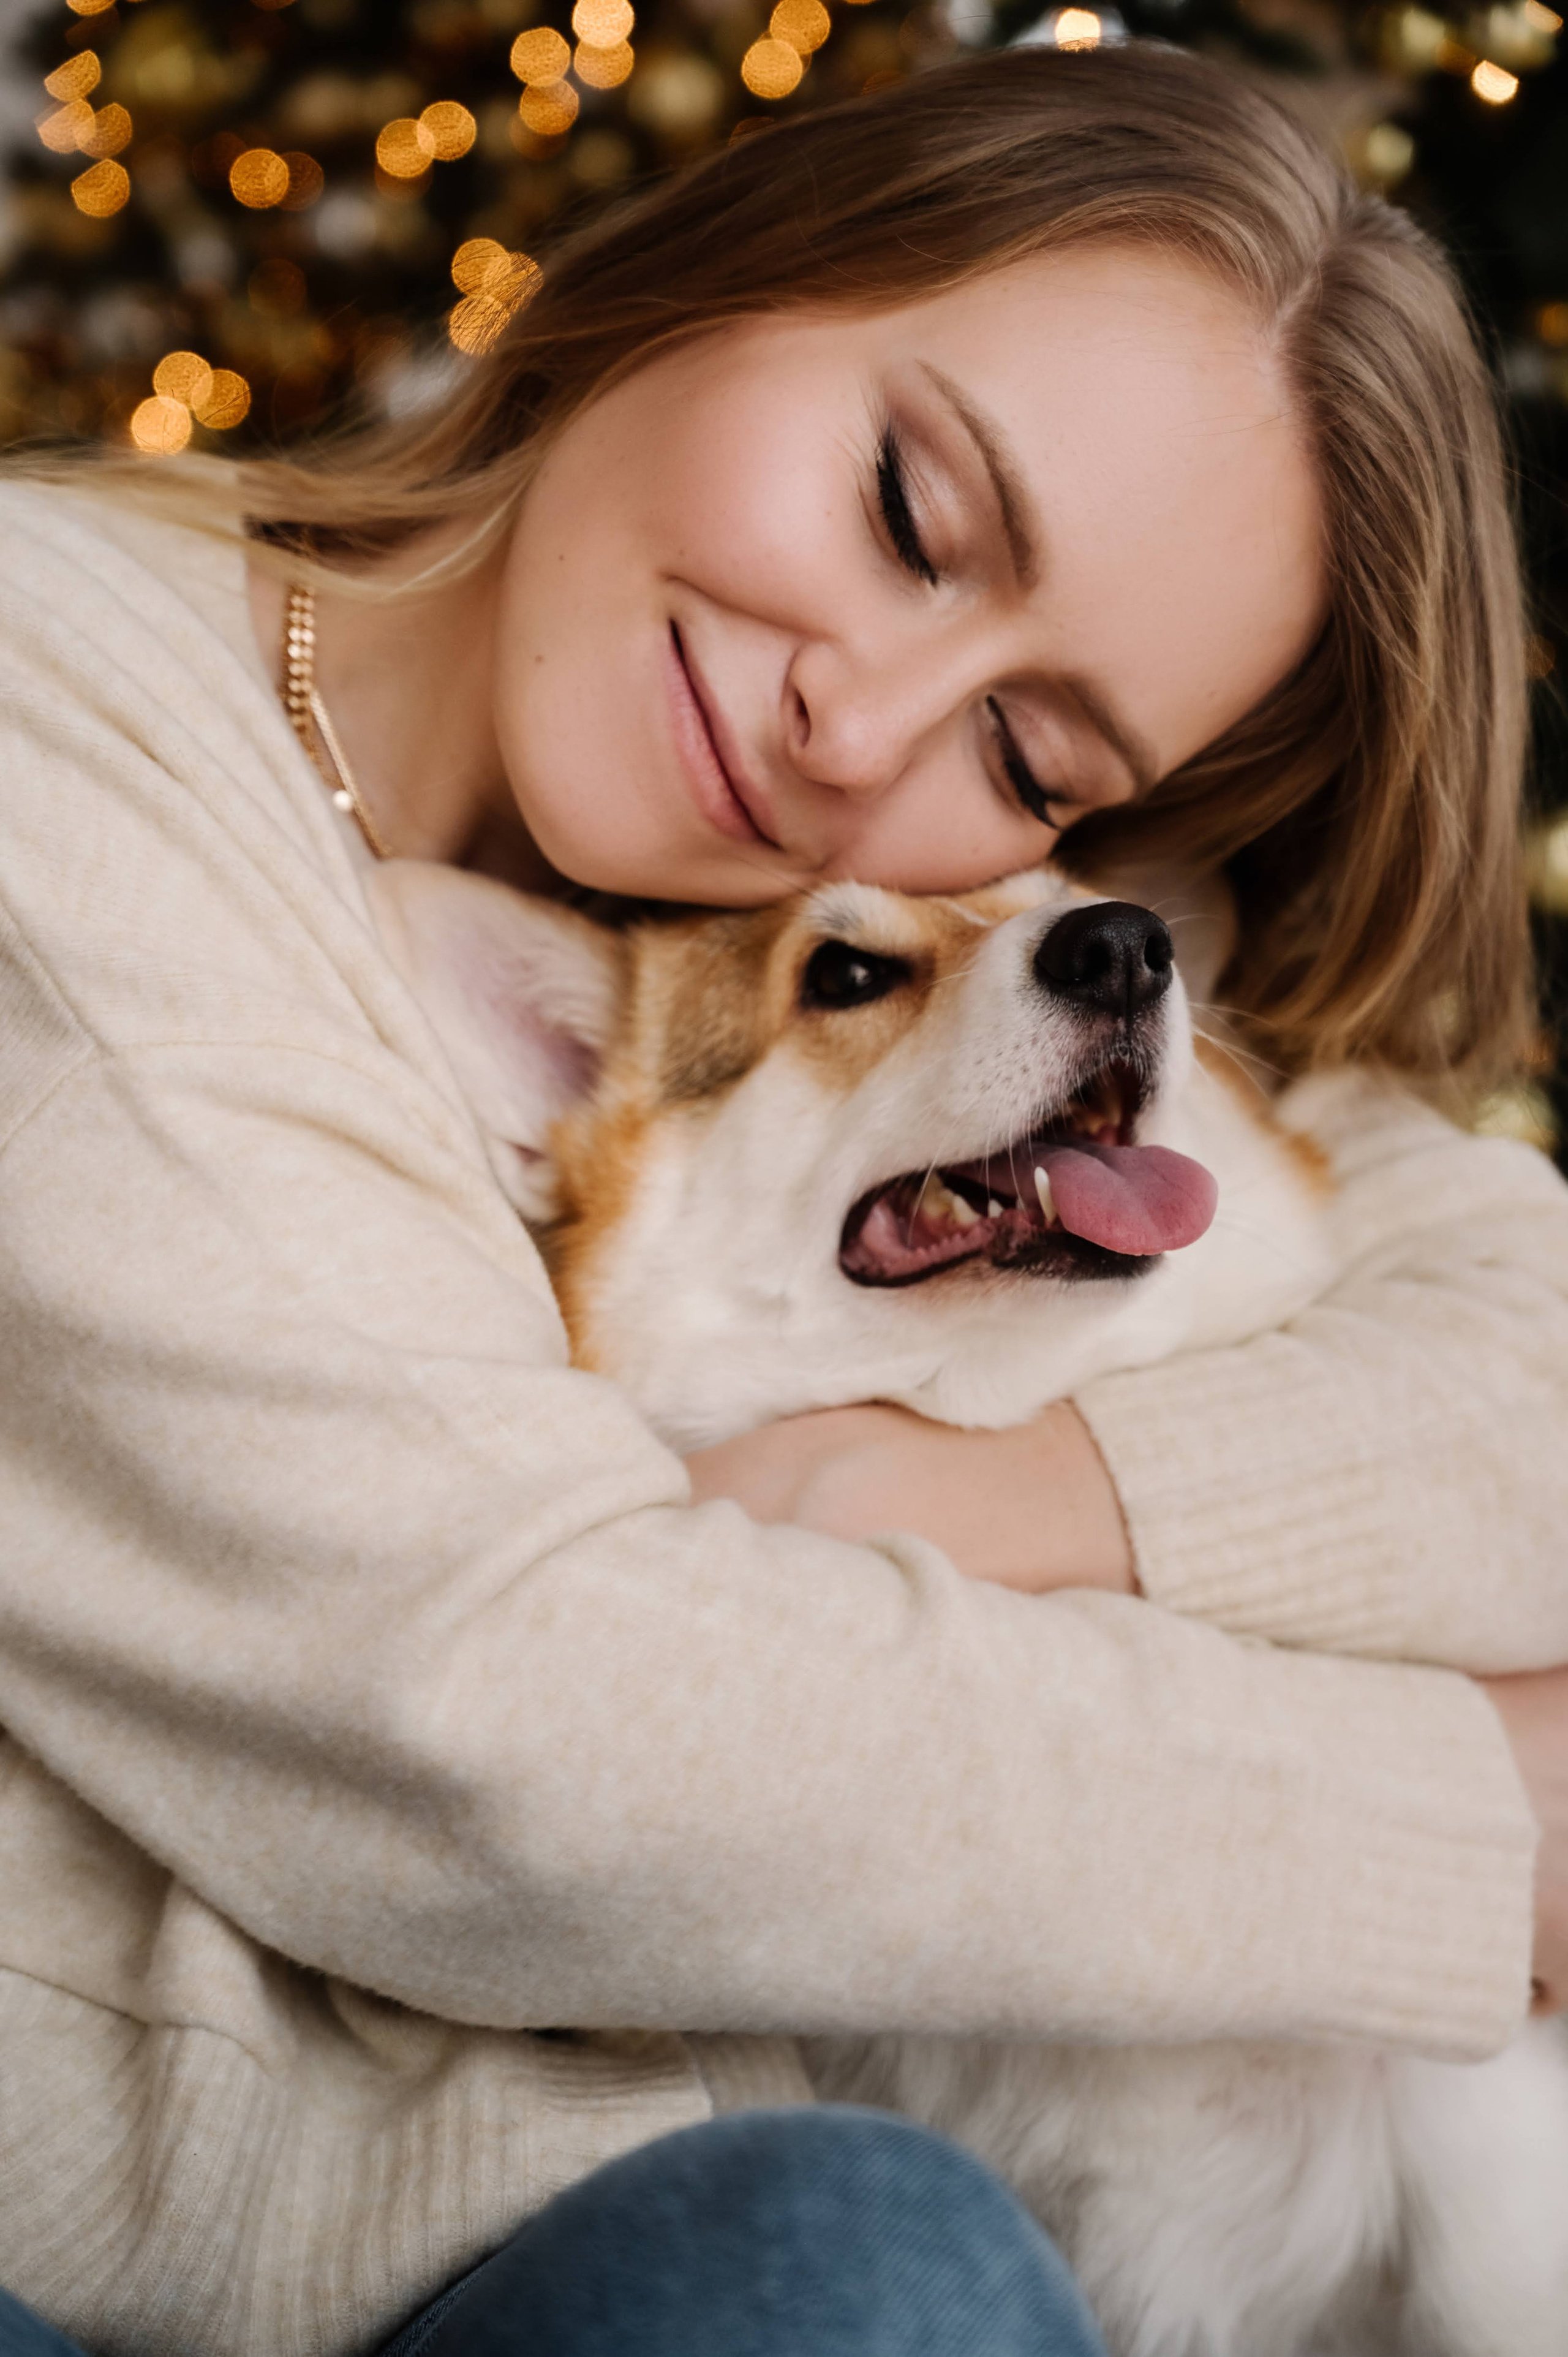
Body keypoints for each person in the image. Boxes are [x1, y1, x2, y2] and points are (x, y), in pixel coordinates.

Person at [0, 37, 1564, 2357]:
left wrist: (1048, 1491)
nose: (866, 720)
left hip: (721, 2198)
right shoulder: (58, 755)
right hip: (218, 2257)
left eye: (1033, 751)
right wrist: (1502, 1829)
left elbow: (1509, 1320)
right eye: (912, 511)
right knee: (863, 2271)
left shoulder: (880, 923)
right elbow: (520, 1725)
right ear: (728, 267)